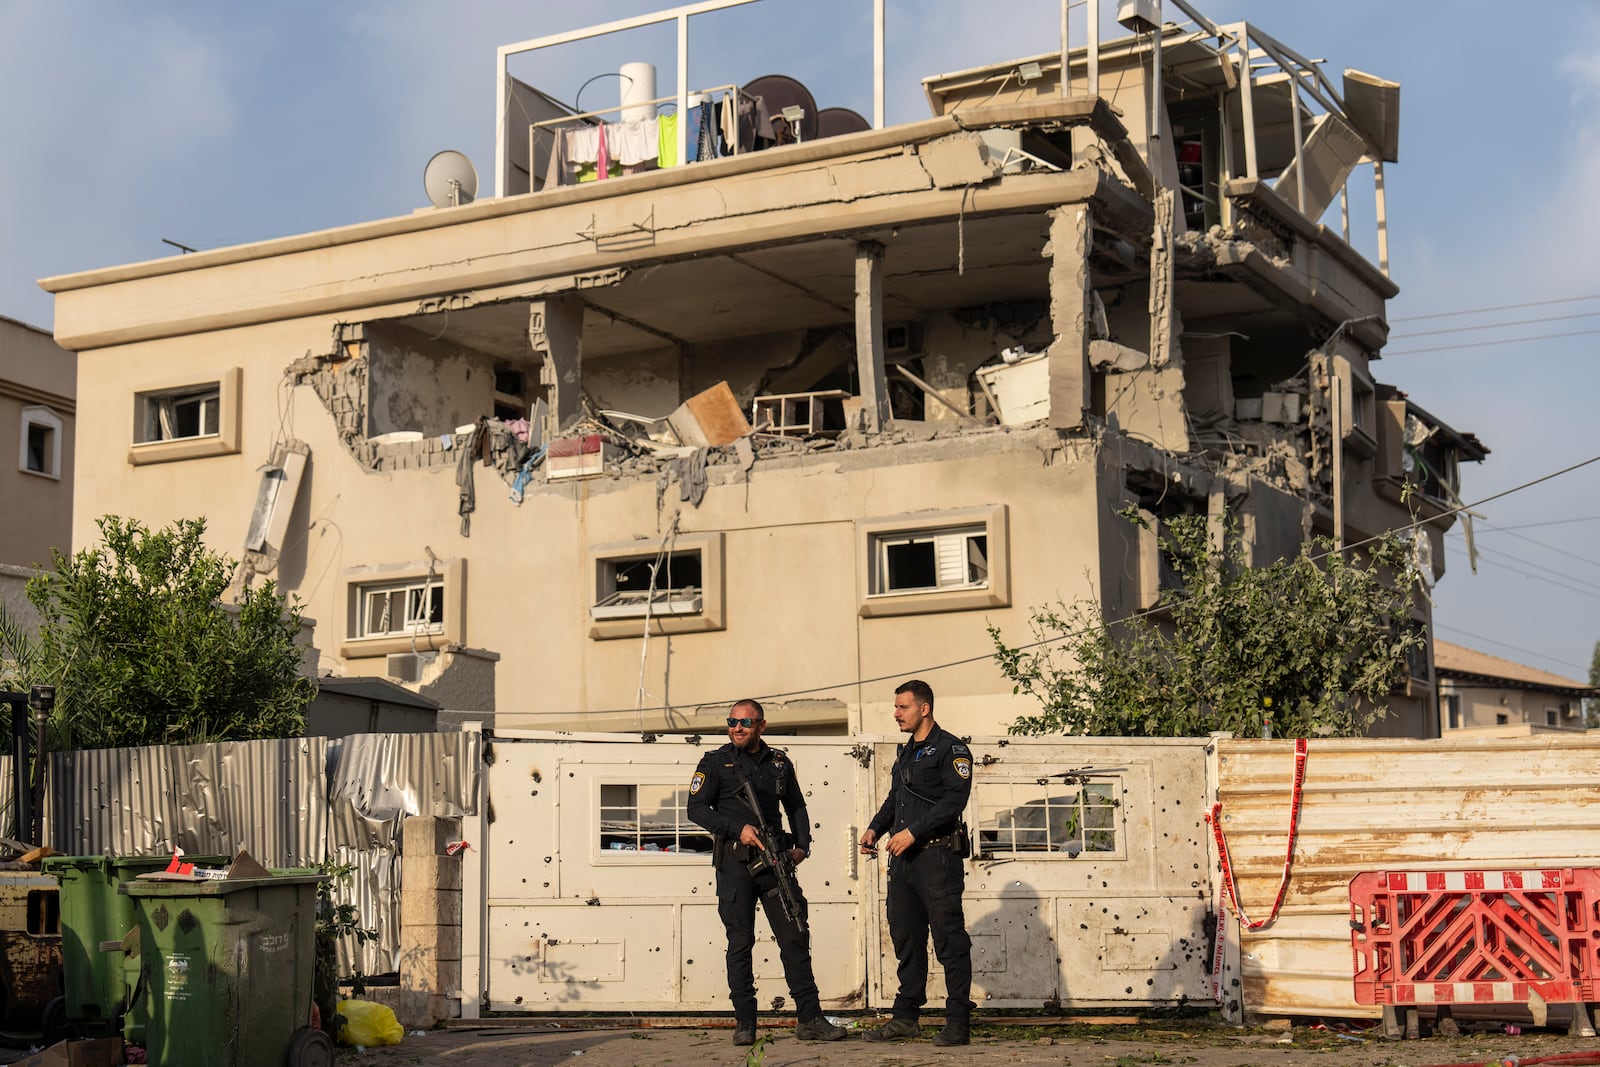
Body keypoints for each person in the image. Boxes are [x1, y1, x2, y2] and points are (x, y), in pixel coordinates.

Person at [687, 699, 847, 1046]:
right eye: (732, 721)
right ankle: (745, 1022)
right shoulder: (716, 762)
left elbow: (796, 806)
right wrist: (735, 828)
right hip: (736, 865)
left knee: (794, 937)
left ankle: (810, 1019)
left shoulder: (778, 763)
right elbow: (696, 809)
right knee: (740, 942)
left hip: (775, 864)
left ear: (761, 725)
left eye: (745, 722)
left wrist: (802, 845)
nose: (737, 728)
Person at [859, 679, 976, 1046]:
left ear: (924, 708)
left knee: (949, 939)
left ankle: (957, 1022)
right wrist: (874, 829)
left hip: (937, 858)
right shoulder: (906, 753)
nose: (896, 714)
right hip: (904, 862)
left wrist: (913, 831)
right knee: (905, 938)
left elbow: (953, 802)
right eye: (896, 707)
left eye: (902, 707)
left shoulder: (951, 749)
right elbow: (896, 798)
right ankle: (906, 1017)